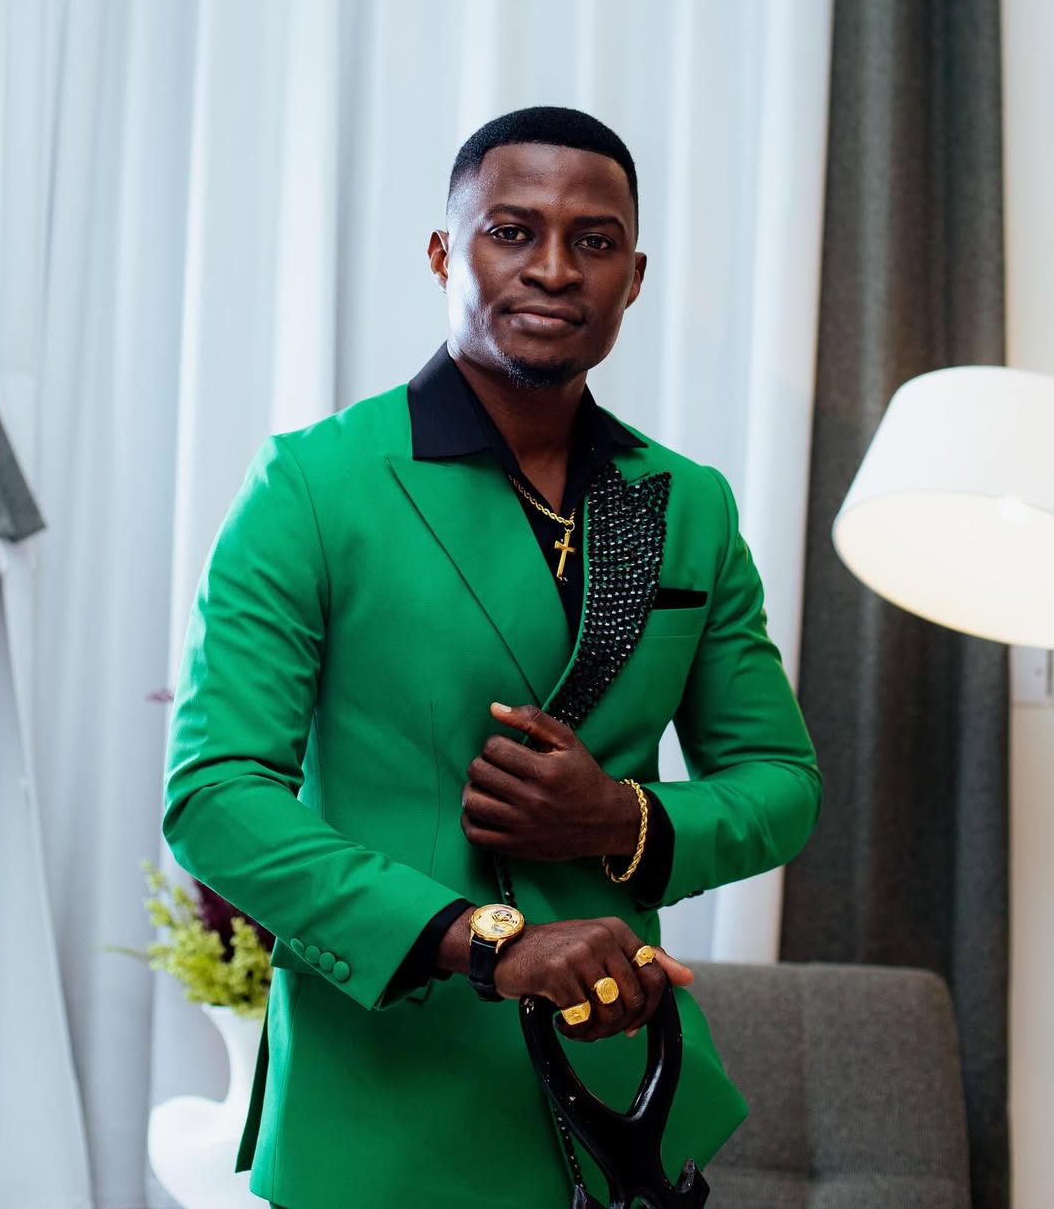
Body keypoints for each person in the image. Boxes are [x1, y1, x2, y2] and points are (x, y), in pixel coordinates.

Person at [163, 105, 821, 1208]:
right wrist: (486, 943)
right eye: (512, 232)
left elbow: (783, 783)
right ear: (443, 253)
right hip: (385, 1108)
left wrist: (621, 819)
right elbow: (215, 798)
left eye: (594, 241)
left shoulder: (689, 504)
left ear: (634, 277)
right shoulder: (311, 485)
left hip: (625, 1101)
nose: (554, 268)